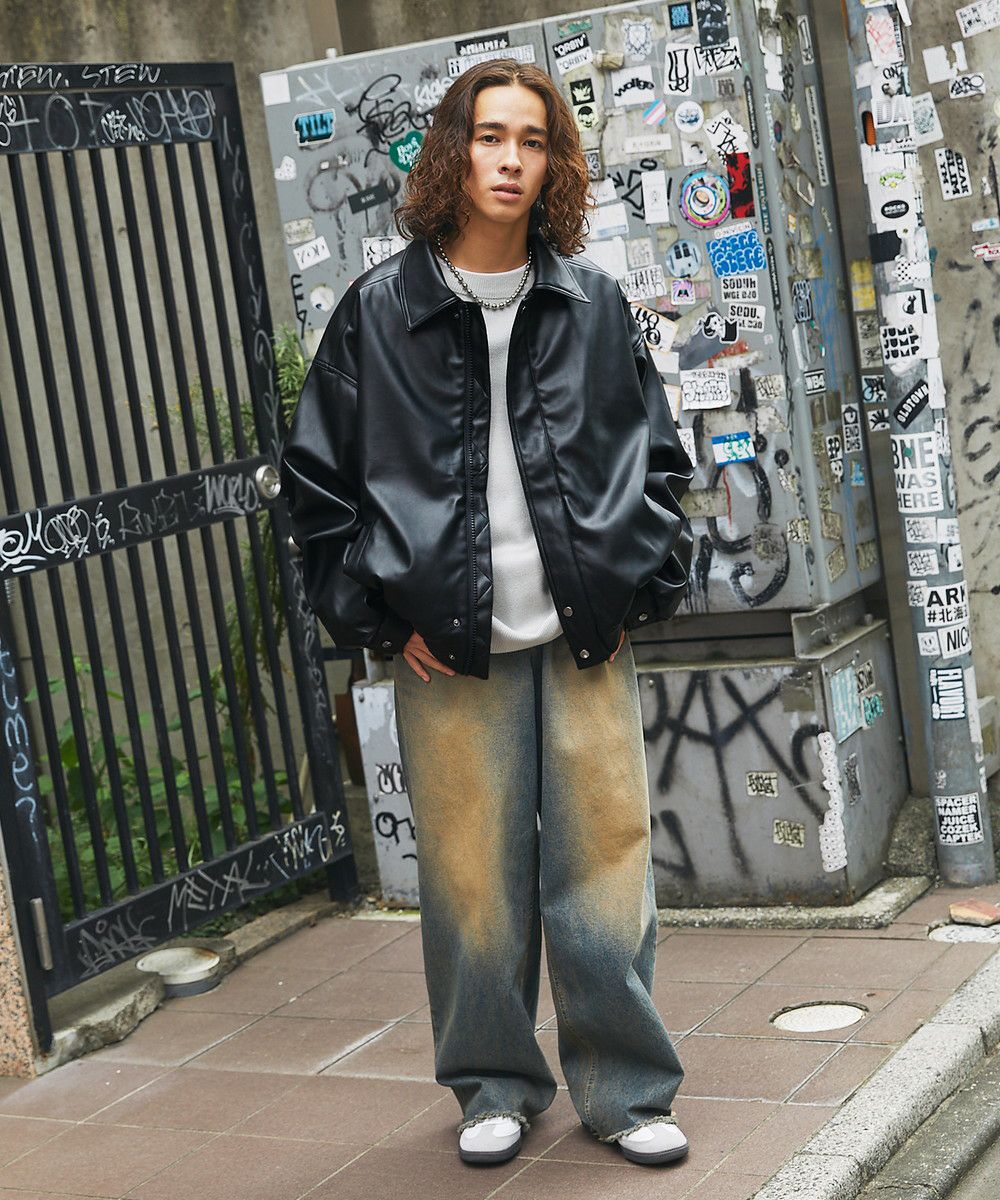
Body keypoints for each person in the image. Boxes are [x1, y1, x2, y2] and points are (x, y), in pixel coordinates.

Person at [279, 58, 695, 1168]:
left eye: (533, 141)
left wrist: (633, 582)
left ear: (554, 163)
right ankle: (493, 1084)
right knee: (470, 885)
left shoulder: (589, 301)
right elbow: (317, 487)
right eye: (490, 136)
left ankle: (626, 1092)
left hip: (581, 637)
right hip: (447, 652)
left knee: (607, 874)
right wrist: (380, 618)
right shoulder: (381, 311)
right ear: (453, 154)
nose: (511, 160)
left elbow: (655, 455)